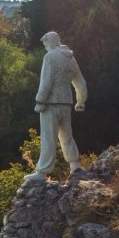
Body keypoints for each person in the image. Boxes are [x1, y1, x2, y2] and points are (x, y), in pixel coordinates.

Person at [25, 31, 87, 182]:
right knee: (66, 136)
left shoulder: (50, 57)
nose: (45, 46)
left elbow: (46, 83)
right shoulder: (71, 59)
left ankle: (42, 172)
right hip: (66, 103)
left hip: (50, 104)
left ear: (50, 41)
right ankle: (75, 164)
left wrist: (40, 101)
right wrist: (81, 101)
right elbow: (81, 83)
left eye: (45, 43)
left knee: (48, 138)